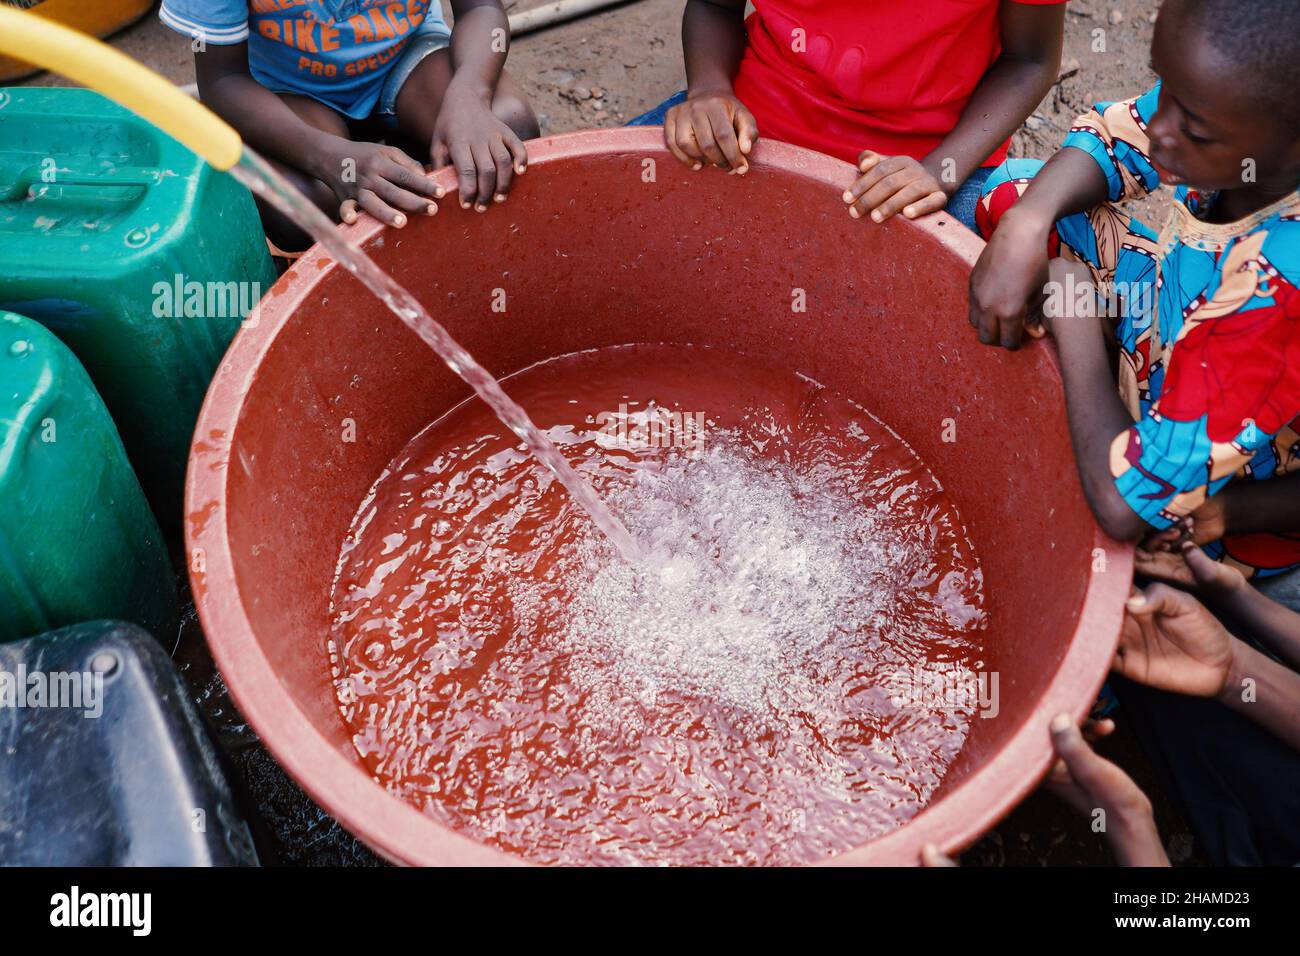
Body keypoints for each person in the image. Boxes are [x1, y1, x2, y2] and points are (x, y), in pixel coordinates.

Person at [968, 0, 1300, 582]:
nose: (1162, 130)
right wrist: (1029, 221)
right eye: (1163, 86)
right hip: (1173, 322)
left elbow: (1126, 510)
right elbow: (1122, 136)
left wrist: (1073, 315)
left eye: (1193, 128)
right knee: (1016, 200)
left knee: (1134, 547)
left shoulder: (1276, 287)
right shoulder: (1234, 117)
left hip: (1241, 475)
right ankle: (1112, 405)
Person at [630, 0, 1068, 232]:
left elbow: (1029, 60)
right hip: (747, 129)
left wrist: (940, 171)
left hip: (928, 162)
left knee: (973, 320)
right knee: (589, 212)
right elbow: (714, 5)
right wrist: (709, 90)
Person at [160, 0, 539, 250]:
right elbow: (223, 80)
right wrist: (329, 157)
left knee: (503, 125)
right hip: (292, 91)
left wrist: (468, 96)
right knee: (300, 205)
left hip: (407, 56)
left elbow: (480, 9)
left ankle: (481, 264)